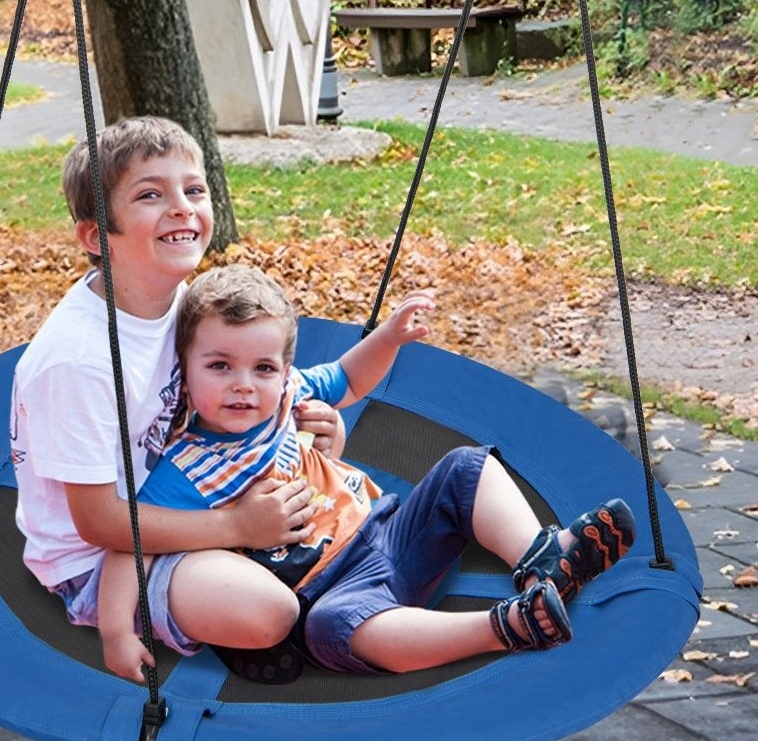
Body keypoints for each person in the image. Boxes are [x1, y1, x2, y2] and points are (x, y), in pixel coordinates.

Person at [98, 263, 635, 682]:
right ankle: (504, 627)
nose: (244, 384)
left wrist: (389, 338)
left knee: (465, 466)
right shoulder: (187, 467)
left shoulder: (289, 396)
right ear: (183, 373)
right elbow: (132, 543)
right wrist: (116, 632)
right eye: (219, 366)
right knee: (334, 630)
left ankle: (544, 557)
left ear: (284, 371)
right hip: (334, 591)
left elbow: (350, 378)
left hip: (393, 530)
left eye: (262, 368)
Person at [10, 117, 346, 662]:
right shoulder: (79, 362)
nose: (182, 208)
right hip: (102, 559)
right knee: (268, 612)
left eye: (193, 190)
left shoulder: (177, 298)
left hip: (191, 493)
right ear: (98, 236)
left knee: (352, 517)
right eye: (151, 195)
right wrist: (235, 525)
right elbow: (100, 523)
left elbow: (237, 391)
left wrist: (304, 425)